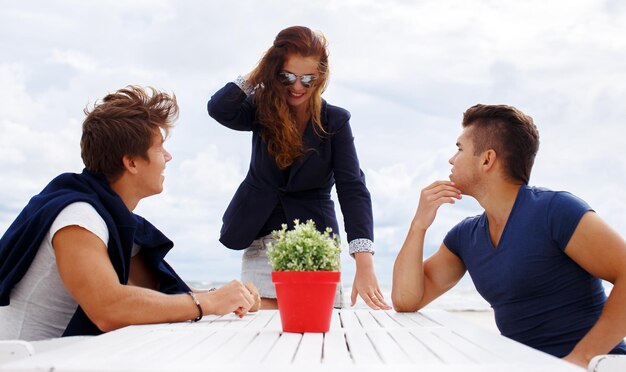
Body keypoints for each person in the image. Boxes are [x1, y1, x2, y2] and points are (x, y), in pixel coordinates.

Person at [0, 86, 260, 341]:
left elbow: (159, 295)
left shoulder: (113, 219)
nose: (168, 157)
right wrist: (209, 302)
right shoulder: (78, 219)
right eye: (160, 147)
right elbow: (108, 308)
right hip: (21, 362)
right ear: (131, 162)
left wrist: (229, 297)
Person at [392, 104, 626, 368]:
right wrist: (418, 225)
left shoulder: (555, 210)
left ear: (487, 159)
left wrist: (580, 359)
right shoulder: (465, 237)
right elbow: (406, 300)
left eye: (459, 149)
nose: (451, 159)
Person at [207, 26, 389, 310]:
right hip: (261, 236)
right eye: (287, 76)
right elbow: (220, 108)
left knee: (316, 340)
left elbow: (352, 188)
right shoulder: (261, 109)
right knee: (260, 336)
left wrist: (364, 261)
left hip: (314, 242)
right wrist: (262, 72)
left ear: (321, 77)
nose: (297, 86)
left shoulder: (335, 121)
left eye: (308, 79)